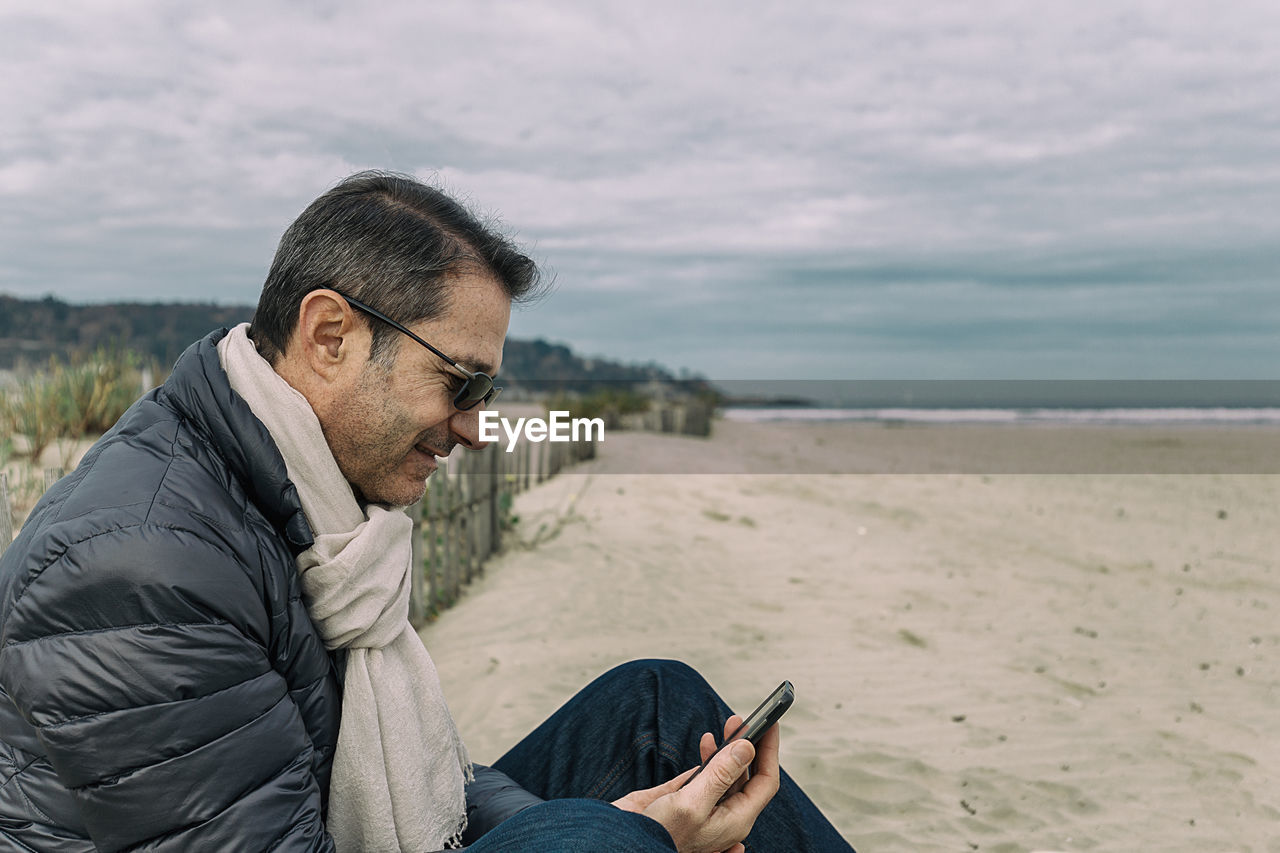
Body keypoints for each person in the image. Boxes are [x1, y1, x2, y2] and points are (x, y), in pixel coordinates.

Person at [0, 172, 854, 852]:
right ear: (330, 336)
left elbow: (424, 779)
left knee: (655, 704)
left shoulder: (320, 509)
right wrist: (628, 836)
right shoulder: (143, 564)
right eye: (461, 382)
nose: (477, 429)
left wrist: (593, 825)